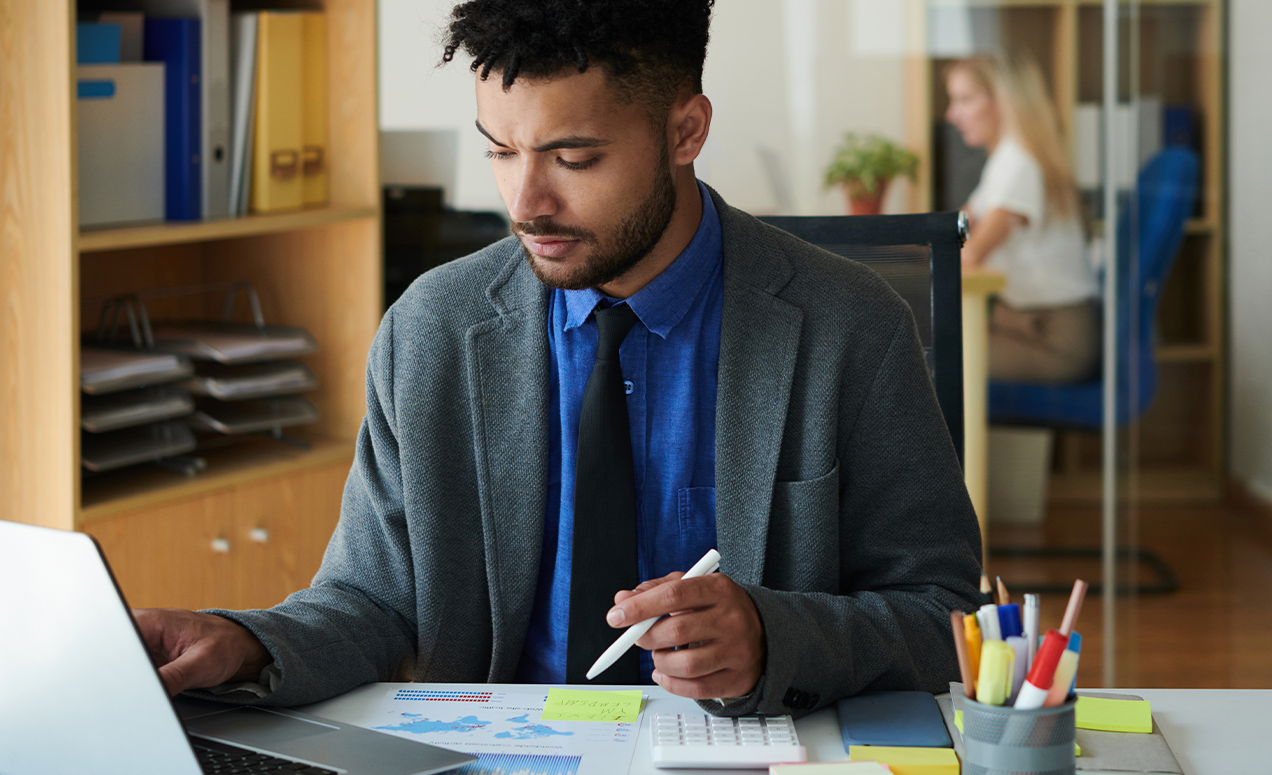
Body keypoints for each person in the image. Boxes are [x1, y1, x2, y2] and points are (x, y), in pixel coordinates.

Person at [132, 0, 982, 719]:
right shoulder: (431, 329)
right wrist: (244, 641)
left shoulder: (849, 326)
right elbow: (373, 601)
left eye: (574, 158)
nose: (525, 203)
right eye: (501, 150)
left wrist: (774, 634)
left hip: (746, 753)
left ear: (686, 131)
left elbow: (943, 613)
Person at [945, 56, 1101, 383]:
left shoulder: (1020, 166)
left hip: (1052, 341)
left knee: (920, 362)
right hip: (1024, 328)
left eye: (964, 99)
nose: (951, 114)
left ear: (1003, 102)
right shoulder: (1003, 163)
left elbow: (972, 253)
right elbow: (954, 227)